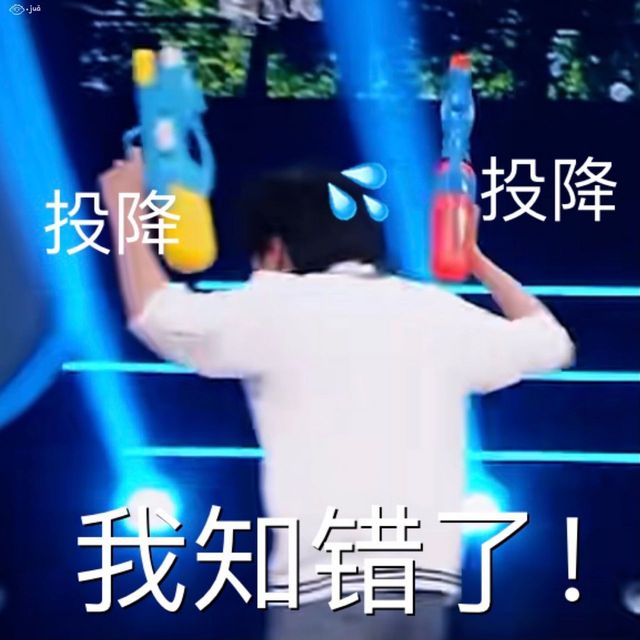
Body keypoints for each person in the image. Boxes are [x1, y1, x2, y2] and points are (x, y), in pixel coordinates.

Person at [99, 149, 574, 640]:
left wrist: (126, 204)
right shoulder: (433, 310)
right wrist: (473, 257)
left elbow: (154, 315)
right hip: (424, 586)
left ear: (276, 249)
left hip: (326, 582)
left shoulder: (278, 304)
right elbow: (552, 343)